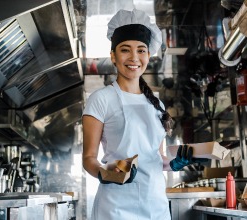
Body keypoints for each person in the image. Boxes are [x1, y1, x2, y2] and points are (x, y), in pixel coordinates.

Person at [82, 8, 207, 220]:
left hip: (154, 205)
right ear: (113, 56)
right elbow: (88, 158)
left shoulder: (156, 103)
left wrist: (173, 163)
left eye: (141, 50)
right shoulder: (100, 99)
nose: (134, 57)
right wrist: (105, 174)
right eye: (125, 50)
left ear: (148, 55)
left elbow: (157, 159)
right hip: (115, 208)